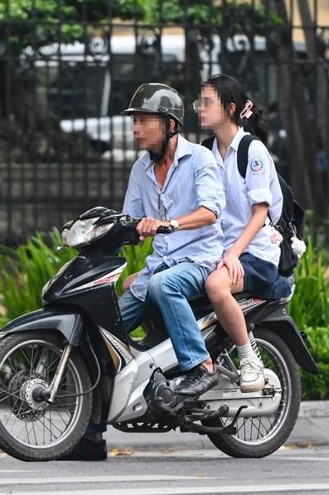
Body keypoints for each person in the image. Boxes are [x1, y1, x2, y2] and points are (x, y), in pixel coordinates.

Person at [64, 82, 226, 461]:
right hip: (159, 267)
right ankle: (91, 435)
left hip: (199, 261)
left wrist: (170, 224)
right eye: (134, 122)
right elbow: (132, 221)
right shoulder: (142, 168)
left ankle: (199, 366)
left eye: (142, 121)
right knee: (102, 328)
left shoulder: (200, 162)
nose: (135, 129)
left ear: (169, 125)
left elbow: (211, 212)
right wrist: (103, 234)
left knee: (166, 286)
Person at [197, 74, 292, 393]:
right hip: (219, 251)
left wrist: (234, 253)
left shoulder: (251, 151)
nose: (200, 108)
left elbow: (260, 213)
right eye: (200, 102)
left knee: (215, 284)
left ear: (230, 108)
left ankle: (249, 359)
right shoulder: (205, 151)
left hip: (255, 254)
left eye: (208, 103)